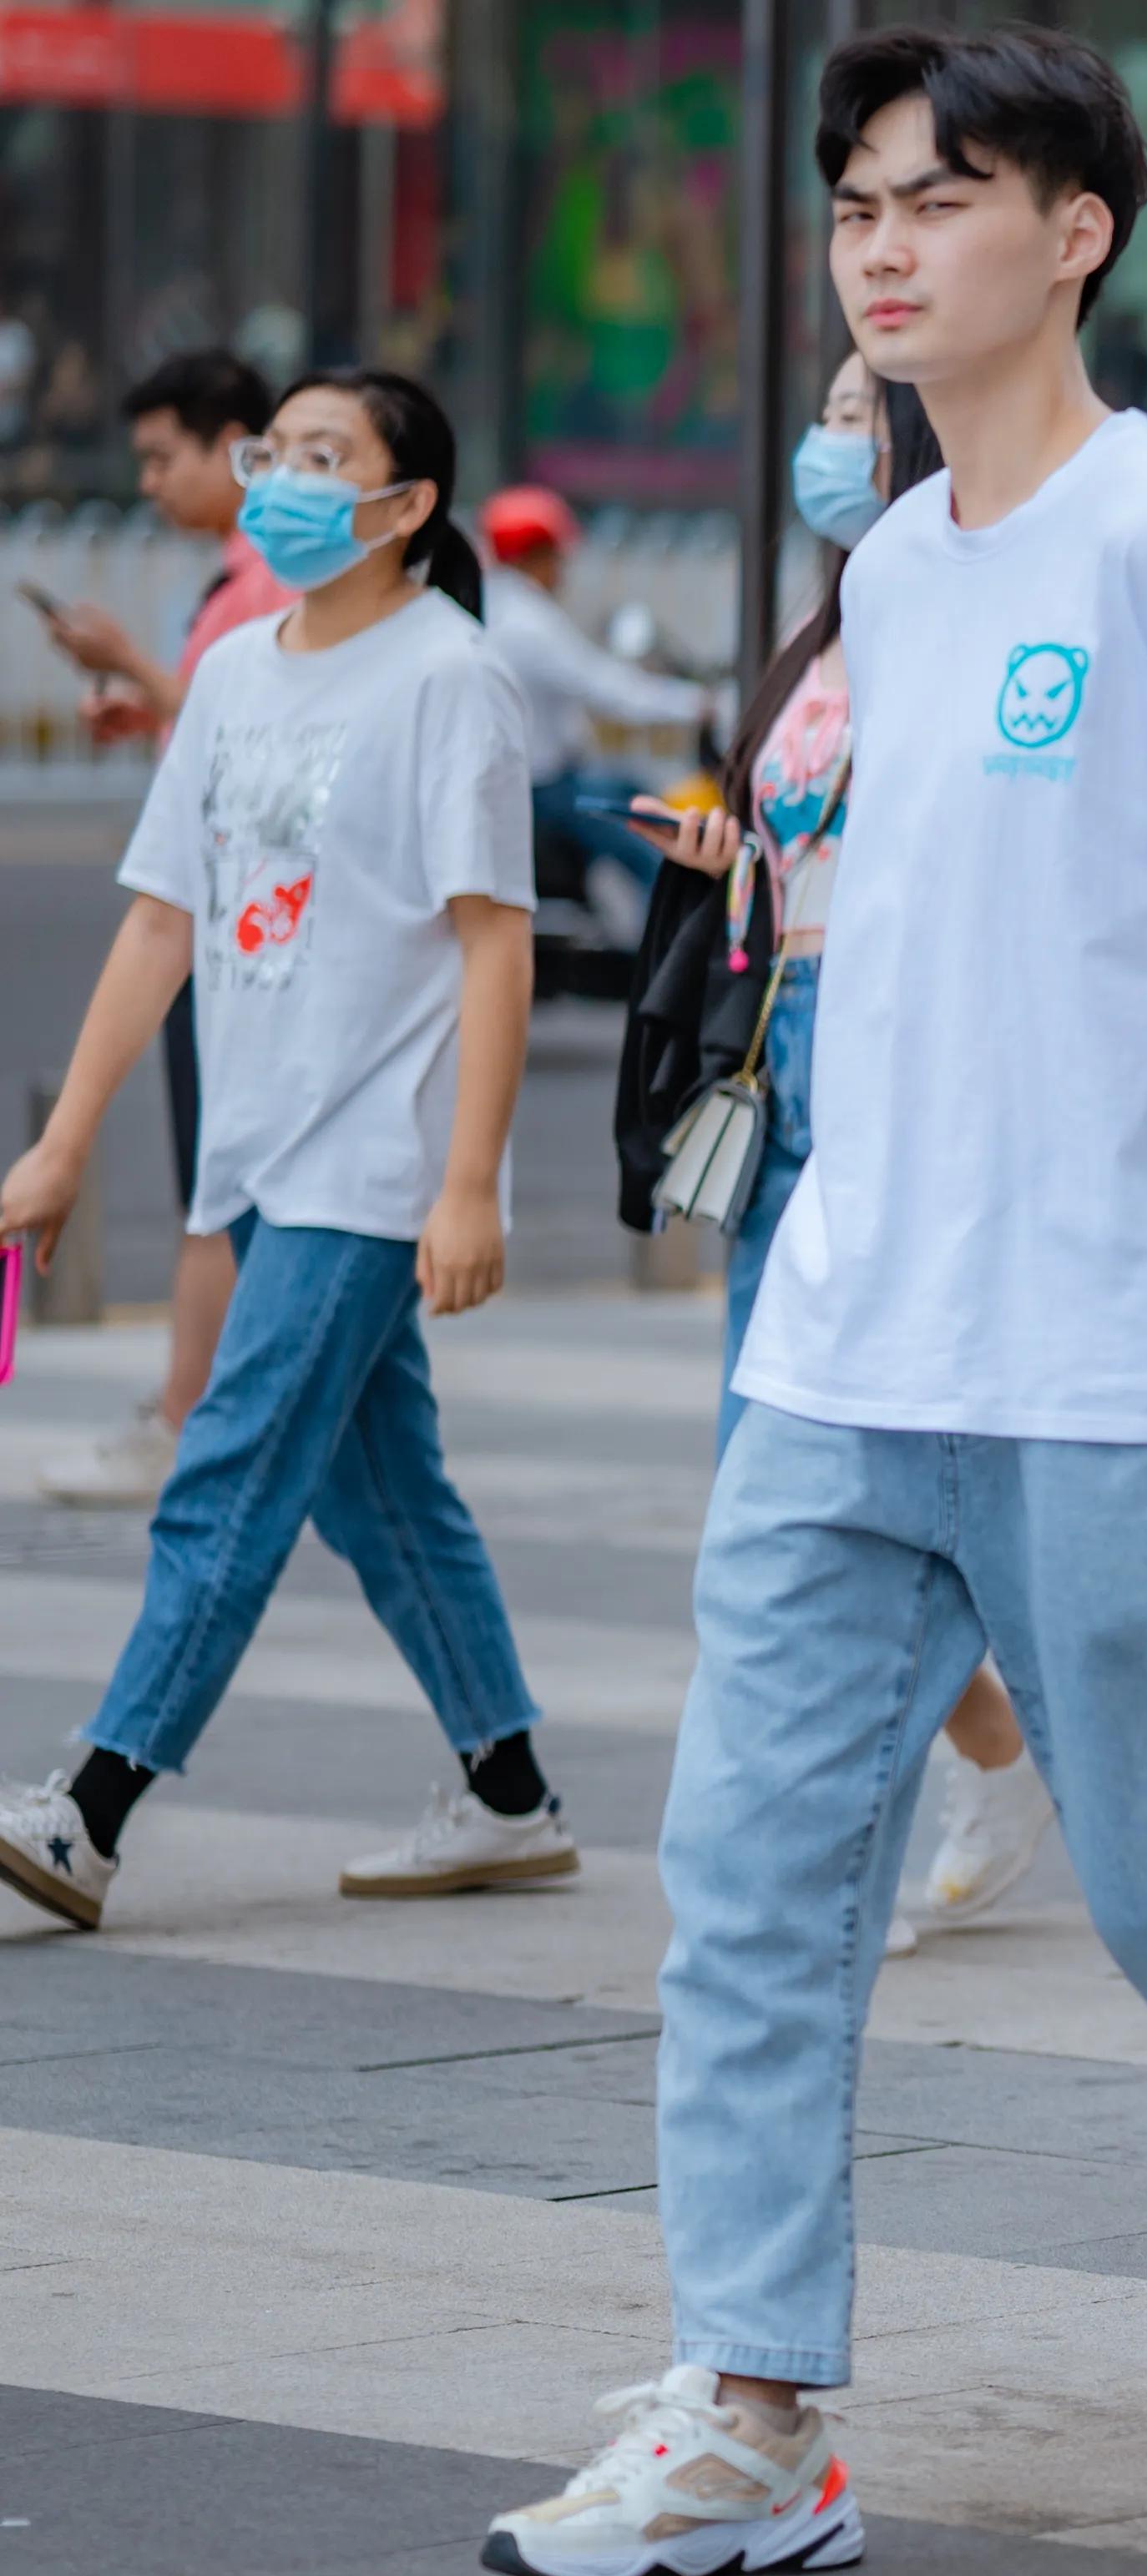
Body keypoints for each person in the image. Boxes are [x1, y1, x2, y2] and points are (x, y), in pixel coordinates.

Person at [483, 32, 1147, 2576]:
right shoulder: (904, 569)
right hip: (851, 1338)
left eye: (936, 199)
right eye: (856, 201)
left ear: (1072, 231)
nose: (878, 245)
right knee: (746, 1876)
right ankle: (753, 2409)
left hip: (1120, 1349)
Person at [0, 369, 568, 1930]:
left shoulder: (452, 678)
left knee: (233, 1466)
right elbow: (162, 918)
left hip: (373, 1159)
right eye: (278, 452)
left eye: (330, 458)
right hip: (261, 1146)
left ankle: (94, 1804)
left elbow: (495, 947)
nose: (286, 480)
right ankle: (507, 1786)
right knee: (380, 1488)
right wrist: (62, 1144)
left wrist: (466, 1180)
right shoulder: (240, 670)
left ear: (405, 509)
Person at [620, 349, 1048, 1952]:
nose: (828, 441)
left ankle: (837, 1841)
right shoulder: (832, 624)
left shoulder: (974, 610)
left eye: (860, 414)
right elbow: (803, 845)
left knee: (900, 1480)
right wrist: (731, 852)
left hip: (908, 1063)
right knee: (766, 1473)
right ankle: (991, 1743)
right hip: (781, 1058)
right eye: (827, 411)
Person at [28, 351, 292, 1509]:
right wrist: (152, 701)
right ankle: (221, 1418)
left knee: (221, 1189)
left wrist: (134, 666)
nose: (148, 485)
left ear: (236, 446)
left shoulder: (273, 577)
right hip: (225, 913)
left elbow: (281, 735)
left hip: (249, 932)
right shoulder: (240, 581)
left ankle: (190, 1420)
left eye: (160, 459)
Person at [477, 483, 716, 943]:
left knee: (630, 791)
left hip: (537, 782)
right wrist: (692, 704)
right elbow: (607, 688)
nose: (564, 569)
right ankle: (665, 955)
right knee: (654, 849)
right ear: (538, 554)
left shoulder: (495, 606)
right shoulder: (527, 623)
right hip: (544, 789)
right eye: (559, 556)